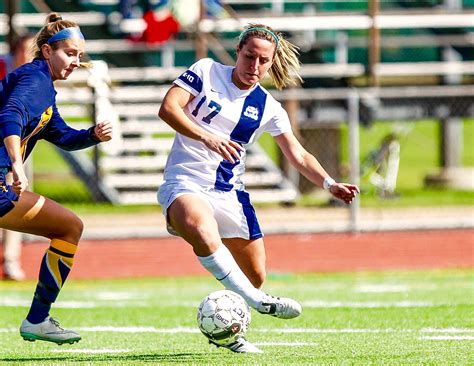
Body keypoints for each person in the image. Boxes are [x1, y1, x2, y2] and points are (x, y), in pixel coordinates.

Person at [158, 24, 360, 353]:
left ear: (272, 62)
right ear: (237, 51)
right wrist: (206, 136)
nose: (254, 66)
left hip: (229, 194)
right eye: (249, 56)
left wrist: (328, 183)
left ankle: (230, 331)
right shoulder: (206, 71)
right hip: (186, 179)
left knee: (255, 274)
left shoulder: (268, 107)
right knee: (199, 225)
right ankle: (258, 302)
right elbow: (168, 108)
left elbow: (297, 153)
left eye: (263, 61)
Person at [0, 13, 113, 345]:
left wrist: (92, 135)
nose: (76, 61)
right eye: (69, 53)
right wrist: (17, 166)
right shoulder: (35, 80)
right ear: (47, 51)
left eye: (79, 55)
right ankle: (37, 319)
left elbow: (61, 135)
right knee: (68, 227)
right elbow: (10, 116)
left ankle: (38, 319)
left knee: (68, 227)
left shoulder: (43, 87)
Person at [0, 34, 35, 282]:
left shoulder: (37, 77)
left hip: (18, 148)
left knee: (16, 201)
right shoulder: (4, 68)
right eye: (27, 49)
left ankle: (11, 260)